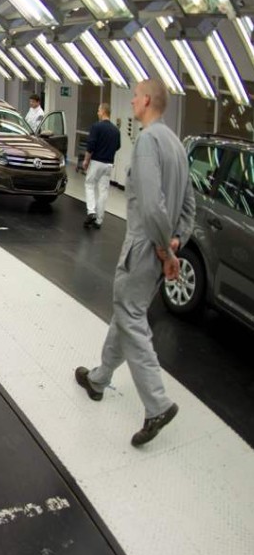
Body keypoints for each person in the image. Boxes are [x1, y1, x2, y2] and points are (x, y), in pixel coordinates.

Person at [74, 78, 196, 447]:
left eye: (135, 97)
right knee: (126, 314)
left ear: (145, 101)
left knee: (130, 318)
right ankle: (98, 379)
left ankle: (157, 404)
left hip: (143, 250)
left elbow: (151, 203)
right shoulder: (176, 145)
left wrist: (164, 248)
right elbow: (188, 206)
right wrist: (177, 240)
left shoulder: (146, 141)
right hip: (159, 251)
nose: (131, 102)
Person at [81, 103, 121, 229]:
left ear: (103, 111)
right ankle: (99, 220)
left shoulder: (96, 127)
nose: (97, 113)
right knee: (103, 191)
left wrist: (86, 161)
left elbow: (91, 145)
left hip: (97, 162)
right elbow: (118, 146)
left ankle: (91, 212)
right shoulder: (116, 130)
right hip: (109, 164)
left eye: (98, 110)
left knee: (89, 184)